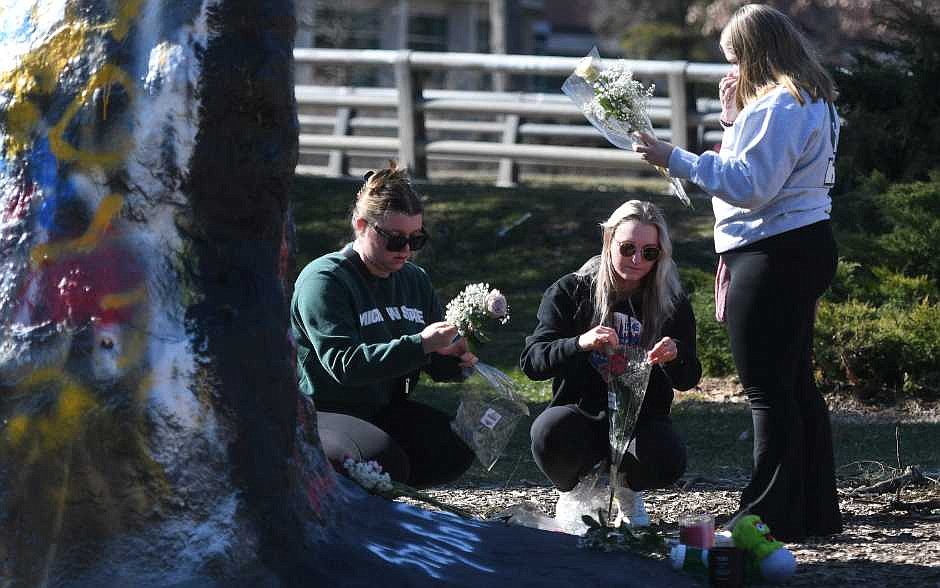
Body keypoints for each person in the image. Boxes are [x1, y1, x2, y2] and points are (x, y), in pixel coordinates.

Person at [633, 4, 842, 541]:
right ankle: (814, 507)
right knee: (795, 384)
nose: (731, 69)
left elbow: (751, 186)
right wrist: (731, 120)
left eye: (734, 59)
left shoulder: (779, 105)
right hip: (804, 244)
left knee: (767, 390)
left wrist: (672, 156)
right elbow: (770, 167)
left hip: (773, 252)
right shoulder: (810, 100)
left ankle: (767, 512)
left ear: (756, 55)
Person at [291, 162, 476, 489]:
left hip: (384, 407)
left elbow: (433, 363)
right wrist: (421, 344)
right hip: (322, 410)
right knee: (385, 459)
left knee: (456, 445)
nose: (405, 250)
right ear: (362, 225)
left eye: (416, 239)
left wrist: (456, 359)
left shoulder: (414, 280)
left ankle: (384, 502)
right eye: (394, 239)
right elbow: (344, 366)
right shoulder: (324, 280)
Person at [520, 200, 701, 524]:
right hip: (582, 411)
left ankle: (629, 490)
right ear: (608, 241)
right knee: (548, 433)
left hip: (641, 418)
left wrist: (676, 355)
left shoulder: (669, 300)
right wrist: (579, 343)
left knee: (666, 457)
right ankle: (576, 492)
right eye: (627, 247)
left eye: (649, 253)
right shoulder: (572, 290)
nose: (636, 260)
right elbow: (533, 361)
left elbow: (688, 377)